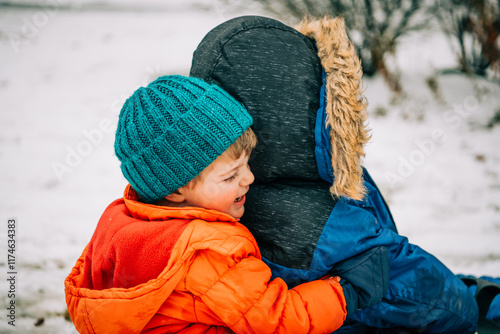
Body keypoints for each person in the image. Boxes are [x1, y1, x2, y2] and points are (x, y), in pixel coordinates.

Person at [190, 15, 481, 333]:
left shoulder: (207, 194)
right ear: (304, 107)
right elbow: (431, 298)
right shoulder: (320, 220)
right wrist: (475, 302)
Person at [64, 75, 389, 333]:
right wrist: (346, 291)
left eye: (247, 163)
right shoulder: (210, 253)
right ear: (176, 190)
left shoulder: (120, 221)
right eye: (230, 176)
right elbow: (278, 322)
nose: (248, 179)